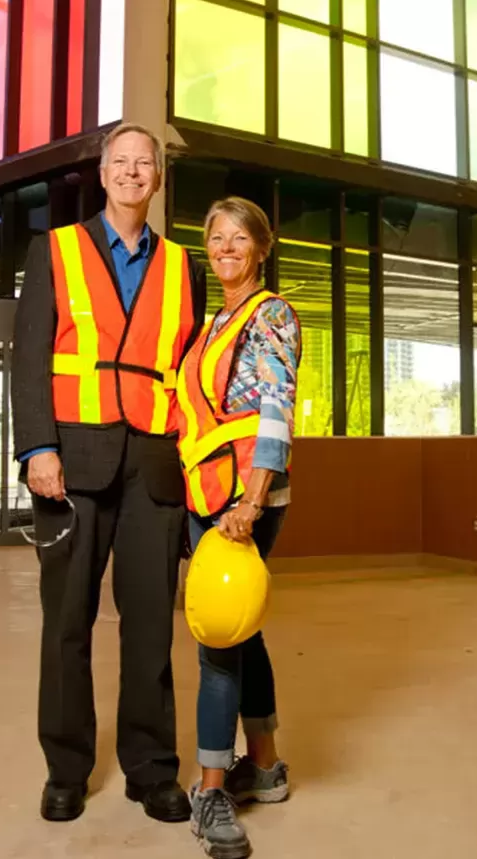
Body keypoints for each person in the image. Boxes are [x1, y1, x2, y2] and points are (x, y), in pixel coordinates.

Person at [11, 123, 207, 824]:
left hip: (152, 463)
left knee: (152, 624)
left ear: (156, 178)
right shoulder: (56, 250)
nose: (131, 173)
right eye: (120, 162)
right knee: (66, 622)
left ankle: (151, 768)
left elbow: (188, 371)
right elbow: (30, 354)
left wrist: (198, 462)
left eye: (143, 164)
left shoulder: (184, 265)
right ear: (102, 173)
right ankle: (65, 767)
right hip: (72, 460)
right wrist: (37, 447)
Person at [174, 197, 301, 859]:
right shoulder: (213, 321)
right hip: (208, 494)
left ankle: (211, 789)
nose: (225, 248)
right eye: (215, 238)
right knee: (242, 631)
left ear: (260, 246)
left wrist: (251, 500)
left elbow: (277, 407)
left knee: (217, 637)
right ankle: (269, 767)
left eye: (237, 238)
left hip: (243, 498)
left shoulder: (270, 313)